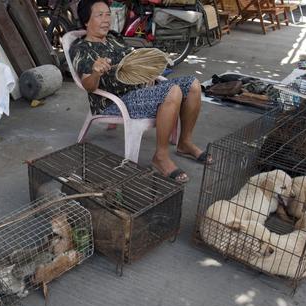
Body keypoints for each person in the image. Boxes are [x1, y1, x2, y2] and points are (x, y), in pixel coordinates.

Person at [70, 0, 211, 183]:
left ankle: (184, 142)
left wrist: (148, 70)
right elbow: (88, 86)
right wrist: (96, 72)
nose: (106, 20)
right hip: (115, 102)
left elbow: (133, 60)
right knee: (173, 91)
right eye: (99, 15)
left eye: (108, 14)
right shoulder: (82, 49)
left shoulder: (113, 37)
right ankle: (160, 157)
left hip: (140, 91)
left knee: (193, 85)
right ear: (86, 21)